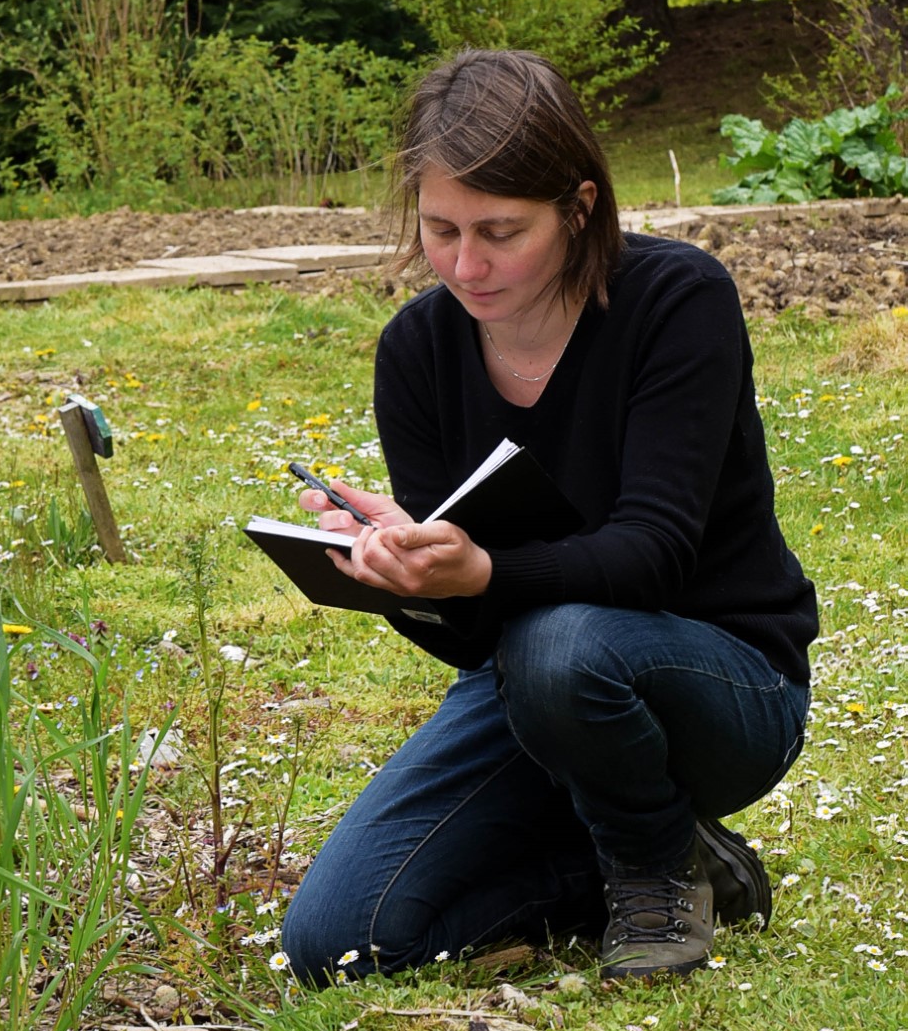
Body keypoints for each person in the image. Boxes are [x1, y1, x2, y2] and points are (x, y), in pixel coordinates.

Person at [279, 49, 816, 983]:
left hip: (723, 680)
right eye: (440, 229)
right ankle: (675, 863)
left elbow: (653, 553)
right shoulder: (417, 349)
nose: (465, 263)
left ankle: (652, 868)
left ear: (579, 206)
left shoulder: (675, 301)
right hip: (529, 690)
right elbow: (472, 643)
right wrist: (404, 571)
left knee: (560, 646)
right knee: (339, 942)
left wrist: (484, 571)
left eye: (500, 230)